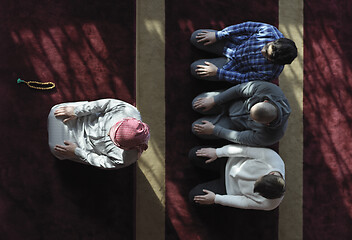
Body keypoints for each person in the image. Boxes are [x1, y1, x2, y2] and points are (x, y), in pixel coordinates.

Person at [47, 99, 150, 169]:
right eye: (113, 130)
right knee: (55, 112)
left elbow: (101, 161)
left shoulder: (127, 158)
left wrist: (76, 152)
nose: (109, 134)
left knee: (56, 149)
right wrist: (76, 111)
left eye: (114, 140)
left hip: (84, 145)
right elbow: (100, 105)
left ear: (126, 148)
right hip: (84, 119)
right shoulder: (127, 110)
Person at [190, 21, 297, 84]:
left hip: (232, 67)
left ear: (275, 62)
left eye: (266, 56)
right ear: (275, 40)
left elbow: (244, 78)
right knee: (196, 37)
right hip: (232, 43)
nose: (262, 50)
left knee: (195, 69)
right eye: (267, 46)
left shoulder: (270, 72)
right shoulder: (269, 31)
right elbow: (244, 27)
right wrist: (218, 35)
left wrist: (218, 73)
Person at [192, 81, 290, 146]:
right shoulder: (270, 90)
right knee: (196, 103)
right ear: (265, 101)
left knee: (196, 128)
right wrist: (215, 100)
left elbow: (241, 138)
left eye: (253, 120)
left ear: (267, 124)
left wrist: (214, 130)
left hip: (233, 125)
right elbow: (238, 90)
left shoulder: (272, 136)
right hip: (230, 102)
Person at [189, 144, 286, 211]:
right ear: (272, 173)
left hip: (228, 189)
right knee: (193, 154)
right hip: (228, 162)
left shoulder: (270, 204)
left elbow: (244, 202)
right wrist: (217, 152)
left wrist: (216, 199)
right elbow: (244, 150)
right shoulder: (272, 159)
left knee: (194, 197)